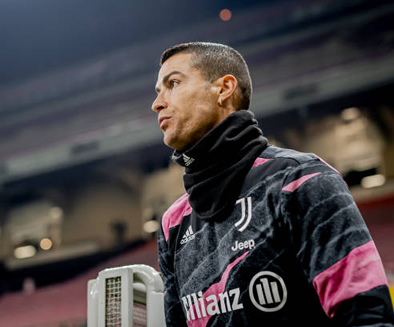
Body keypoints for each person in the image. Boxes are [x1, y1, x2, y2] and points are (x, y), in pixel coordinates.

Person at [153, 42, 394, 326]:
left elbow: (366, 314)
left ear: (224, 88)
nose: (157, 103)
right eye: (158, 92)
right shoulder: (172, 223)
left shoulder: (300, 179)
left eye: (174, 83)